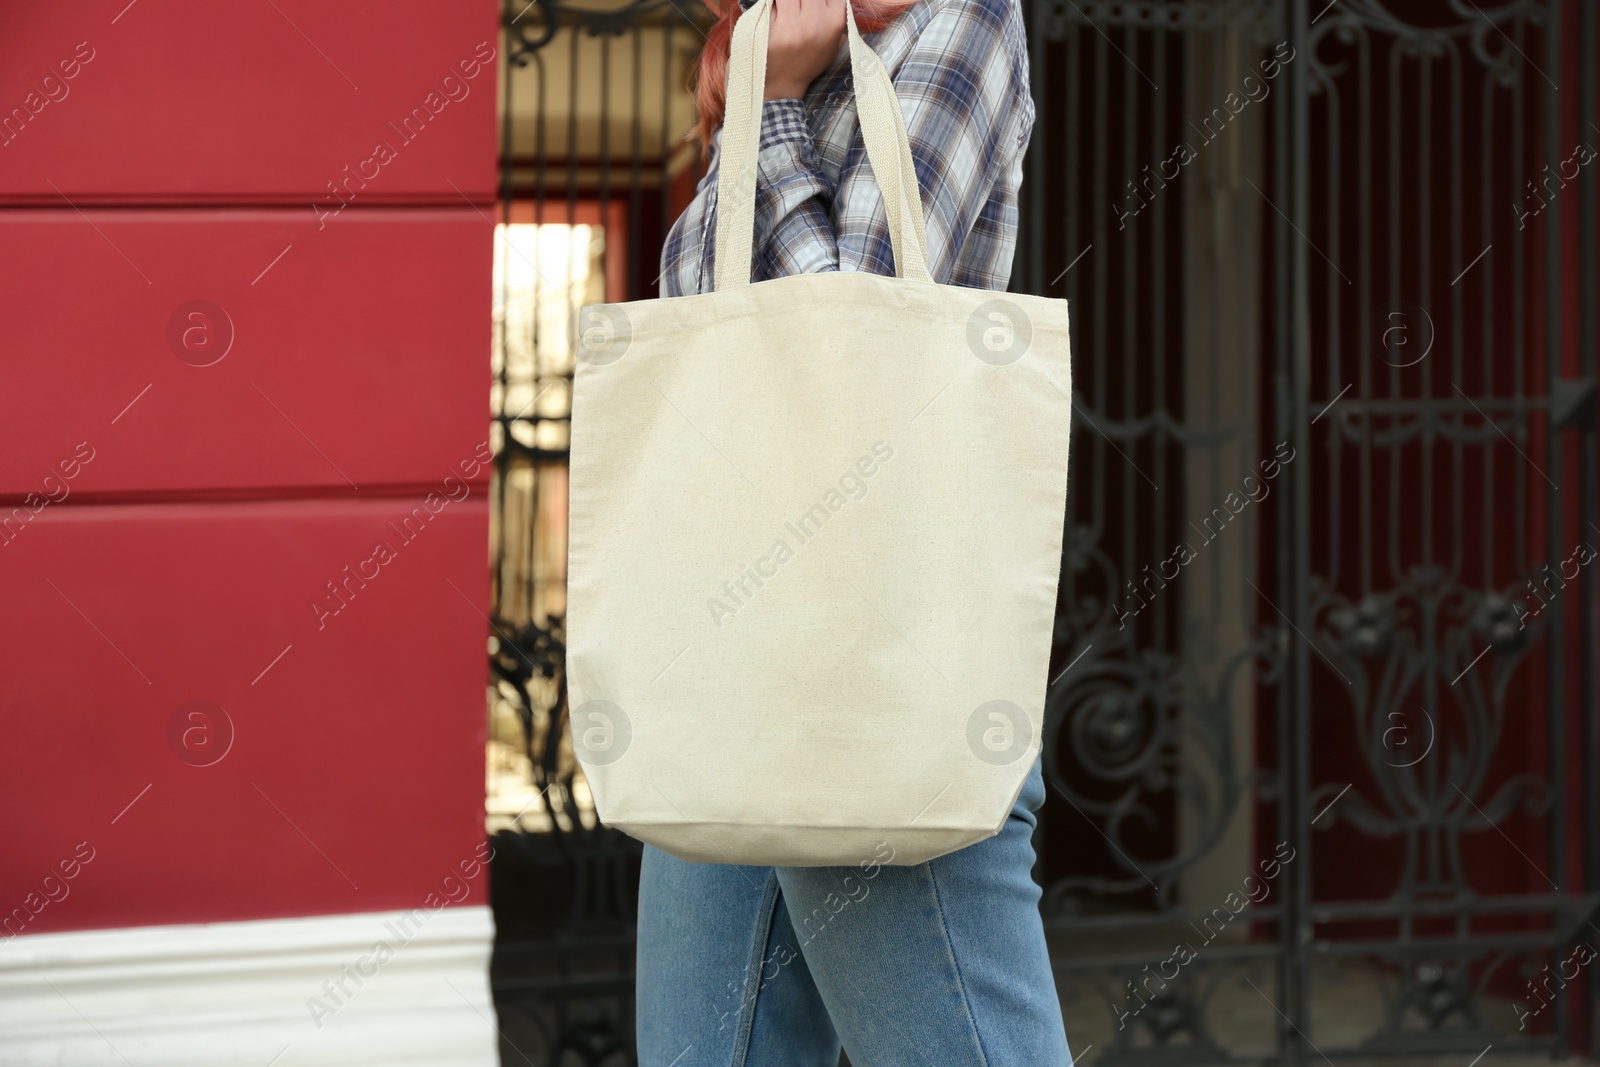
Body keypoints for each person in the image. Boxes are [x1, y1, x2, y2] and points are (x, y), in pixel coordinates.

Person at [639, 0, 1071, 1061]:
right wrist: (755, 90)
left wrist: (775, 106)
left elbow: (848, 359)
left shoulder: (953, 23)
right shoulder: (762, 48)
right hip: (723, 663)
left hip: (877, 663)